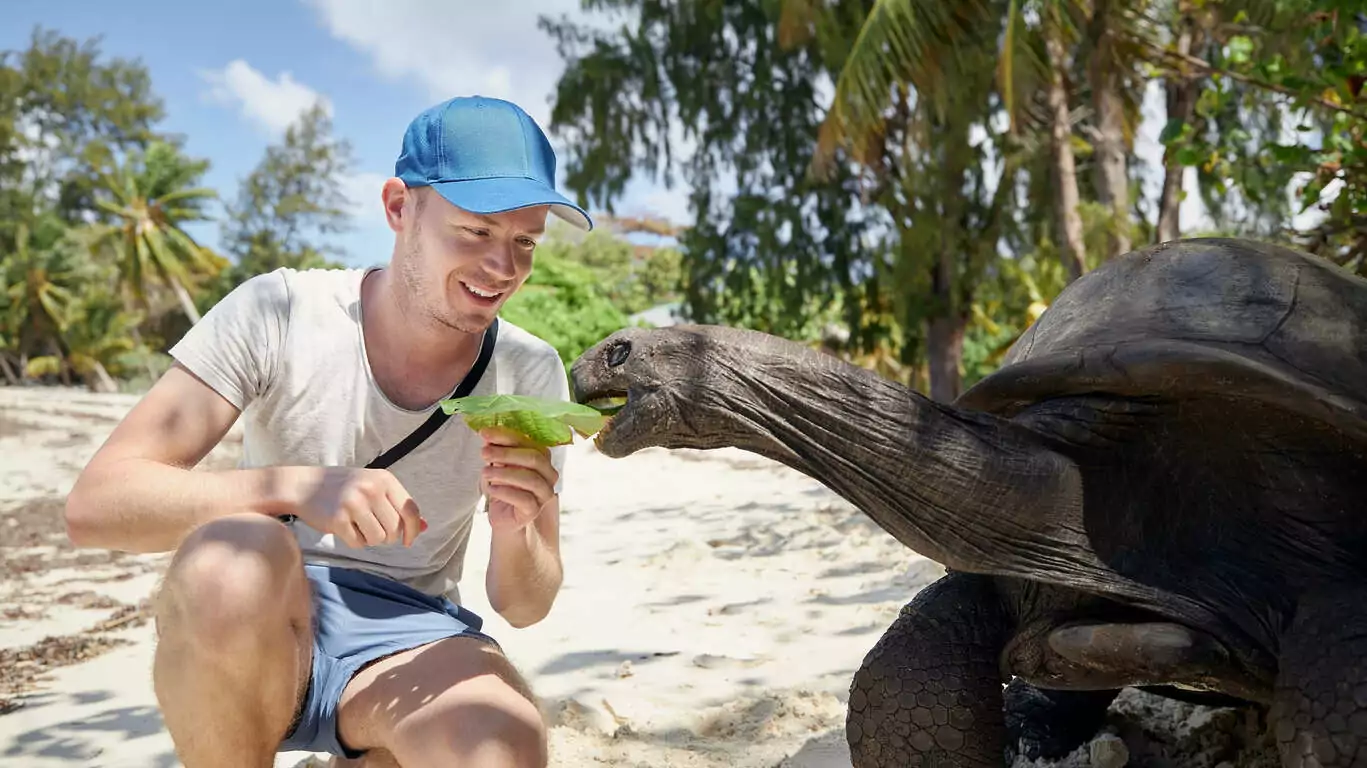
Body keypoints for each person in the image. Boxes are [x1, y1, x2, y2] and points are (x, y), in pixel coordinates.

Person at [63, 95, 594, 768]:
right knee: (231, 561)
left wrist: (520, 524)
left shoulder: (527, 368)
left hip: (411, 634)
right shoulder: (279, 310)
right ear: (400, 208)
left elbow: (523, 605)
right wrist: (296, 488)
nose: (503, 268)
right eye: (476, 232)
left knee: (499, 746)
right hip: (255, 616)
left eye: (524, 242)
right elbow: (94, 507)